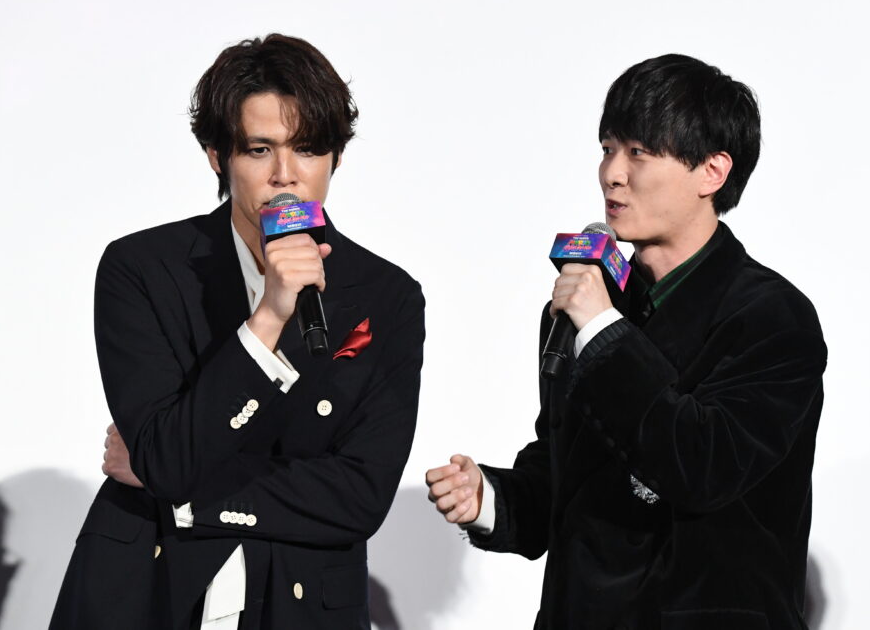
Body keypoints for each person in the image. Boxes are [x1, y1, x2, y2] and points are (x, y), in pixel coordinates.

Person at [427, 54, 827, 629]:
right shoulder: (588, 305)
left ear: (712, 172)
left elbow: (701, 466)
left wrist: (602, 331)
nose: (612, 173)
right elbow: (568, 473)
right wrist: (490, 500)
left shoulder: (772, 318)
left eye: (639, 152)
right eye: (607, 148)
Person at [50, 33, 425, 629]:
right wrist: (269, 317)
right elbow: (168, 457)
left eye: (308, 149)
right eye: (259, 149)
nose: (286, 175)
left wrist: (183, 494)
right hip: (150, 587)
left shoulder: (387, 295)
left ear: (335, 157)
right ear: (217, 155)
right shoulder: (142, 269)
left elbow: (360, 496)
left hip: (302, 604)